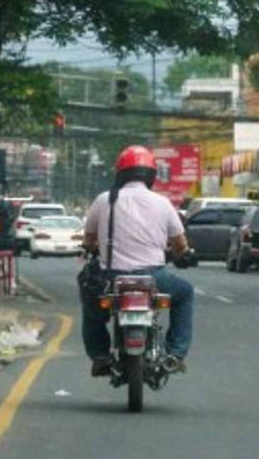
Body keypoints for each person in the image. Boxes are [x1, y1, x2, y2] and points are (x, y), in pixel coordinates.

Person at [81, 146, 194, 377]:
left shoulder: (104, 200)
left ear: (120, 174)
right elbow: (180, 245)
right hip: (154, 278)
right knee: (185, 293)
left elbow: (89, 240)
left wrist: (91, 248)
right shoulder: (162, 203)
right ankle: (175, 353)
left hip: (113, 278)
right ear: (151, 176)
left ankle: (100, 356)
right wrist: (182, 254)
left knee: (91, 303)